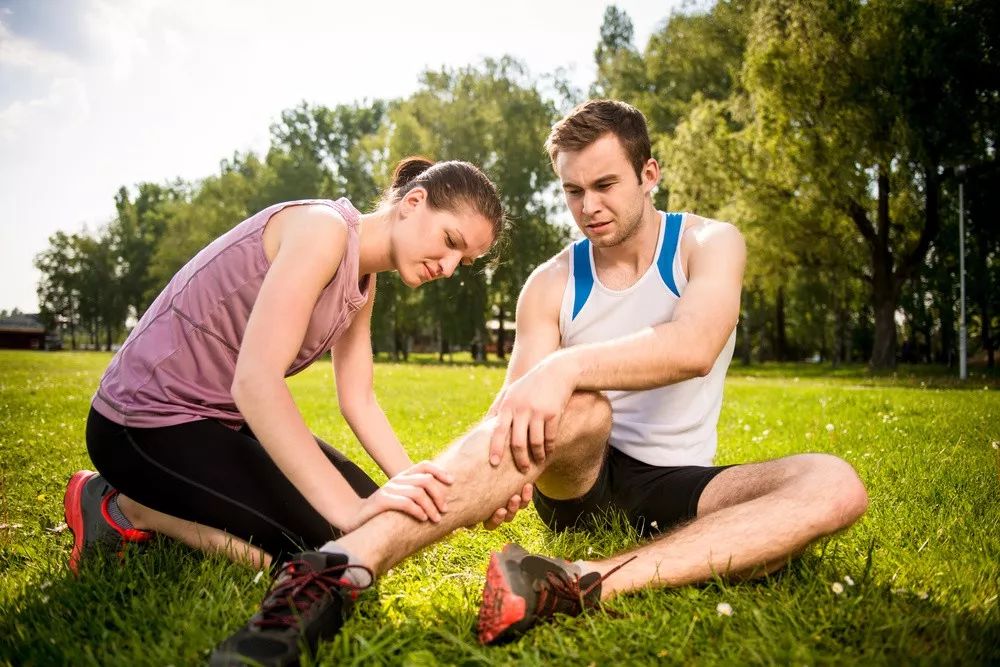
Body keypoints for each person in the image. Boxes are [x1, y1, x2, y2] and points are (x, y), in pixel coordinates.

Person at [209, 101, 868, 666]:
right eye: (573, 191)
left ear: (649, 174)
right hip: (579, 476)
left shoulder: (710, 243)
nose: (590, 206)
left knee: (833, 483)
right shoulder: (552, 281)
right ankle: (337, 568)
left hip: (681, 480)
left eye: (606, 184)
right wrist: (498, 473)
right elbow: (512, 411)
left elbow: (695, 346)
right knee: (582, 407)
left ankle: (579, 580)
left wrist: (566, 365)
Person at [61, 157, 530, 618]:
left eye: (463, 261)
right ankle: (124, 508)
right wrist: (348, 510)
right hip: (139, 423)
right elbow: (256, 382)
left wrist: (427, 489)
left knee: (373, 524)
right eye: (450, 242)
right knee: (331, 554)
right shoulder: (322, 231)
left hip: (215, 422)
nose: (448, 268)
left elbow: (358, 399)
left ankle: (159, 503)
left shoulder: (364, 281)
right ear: (413, 202)